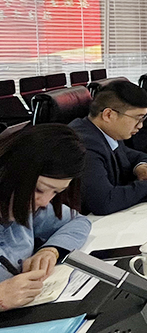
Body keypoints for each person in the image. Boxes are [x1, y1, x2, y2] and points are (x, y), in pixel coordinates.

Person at [0, 124, 91, 310]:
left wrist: (50, 250)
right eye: (38, 189)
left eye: (56, 192)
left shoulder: (28, 208)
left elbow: (78, 221)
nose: (44, 202)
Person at [69, 82, 147, 215]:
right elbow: (104, 201)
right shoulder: (83, 144)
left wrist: (140, 167)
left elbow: (135, 155)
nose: (140, 126)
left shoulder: (104, 132)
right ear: (108, 115)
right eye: (137, 119)